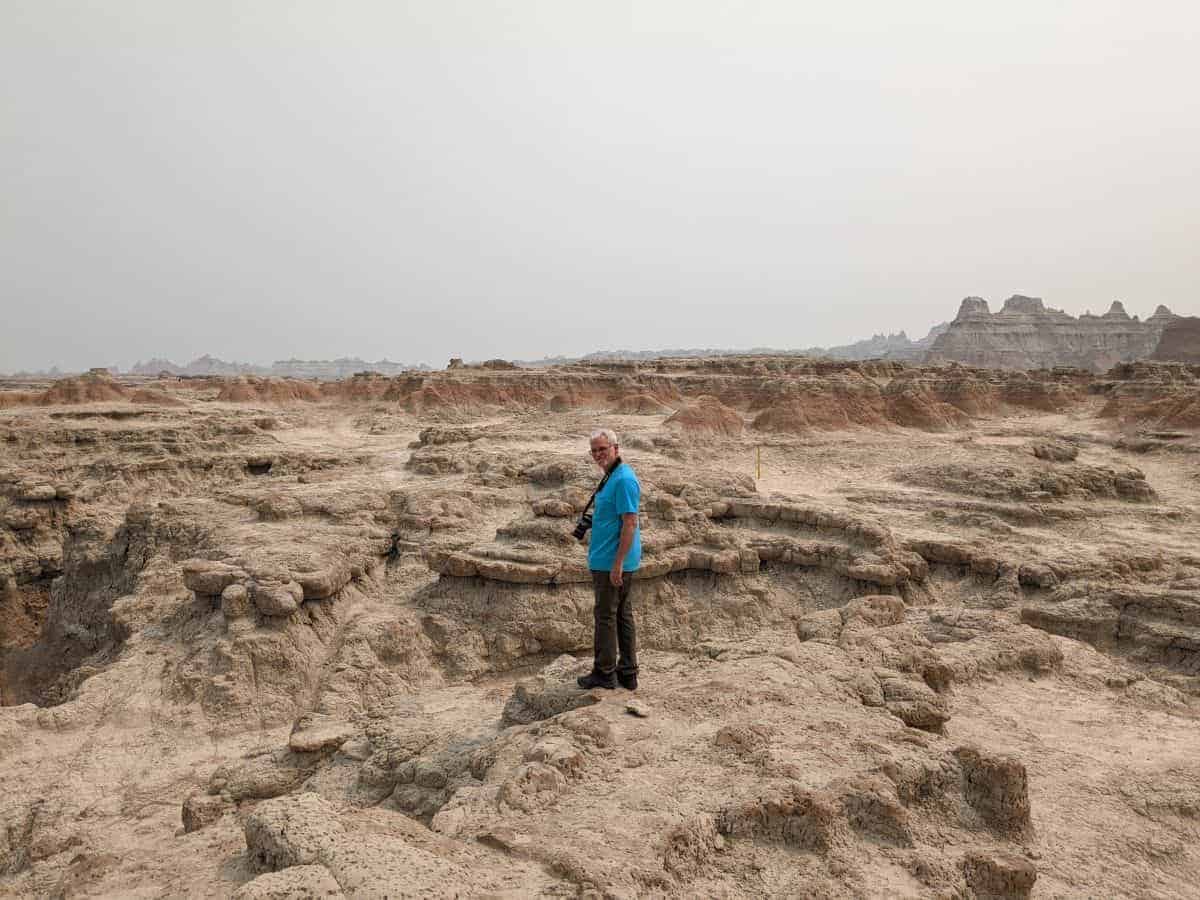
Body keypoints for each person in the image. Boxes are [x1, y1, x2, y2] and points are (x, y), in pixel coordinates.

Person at [577, 428, 641, 691]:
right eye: (594, 450)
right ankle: (628, 673)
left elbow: (630, 522)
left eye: (602, 449)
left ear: (616, 448)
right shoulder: (613, 475)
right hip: (611, 559)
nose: (598, 455)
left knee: (605, 616)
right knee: (622, 615)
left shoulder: (623, 479)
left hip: (611, 562)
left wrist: (617, 564)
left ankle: (604, 674)